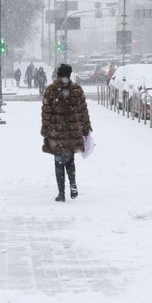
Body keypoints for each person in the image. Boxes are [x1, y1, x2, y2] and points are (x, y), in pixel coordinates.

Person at [41, 64, 92, 202]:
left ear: (58, 74)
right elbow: (83, 111)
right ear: (69, 75)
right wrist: (86, 127)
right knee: (70, 160)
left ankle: (61, 193)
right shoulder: (77, 90)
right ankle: (73, 184)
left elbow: (46, 113)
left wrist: (45, 129)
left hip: (56, 133)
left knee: (58, 162)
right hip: (72, 132)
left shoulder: (51, 90)